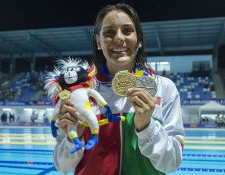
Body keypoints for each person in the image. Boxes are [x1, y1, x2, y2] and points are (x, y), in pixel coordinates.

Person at [53, 3, 184, 175]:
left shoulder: (164, 88)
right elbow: (62, 166)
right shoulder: (79, 92)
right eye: (109, 32)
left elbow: (171, 163)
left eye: (127, 31)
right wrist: (73, 137)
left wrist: (146, 126)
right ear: (98, 42)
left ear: (139, 40)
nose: (119, 38)